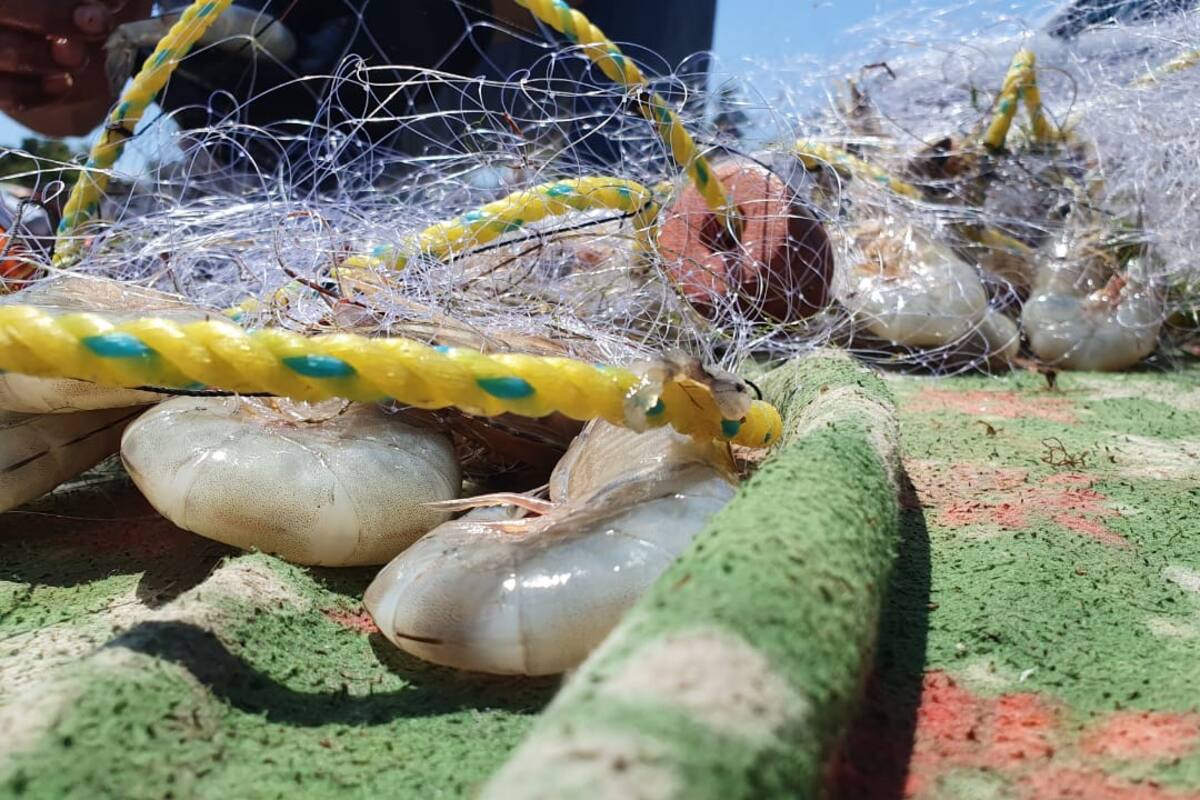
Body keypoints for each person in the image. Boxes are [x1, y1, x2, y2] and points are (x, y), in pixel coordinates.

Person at [0, 0, 717, 165]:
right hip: (303, 152)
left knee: (632, 232)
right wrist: (67, 66)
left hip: (558, 49)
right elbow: (76, 101)